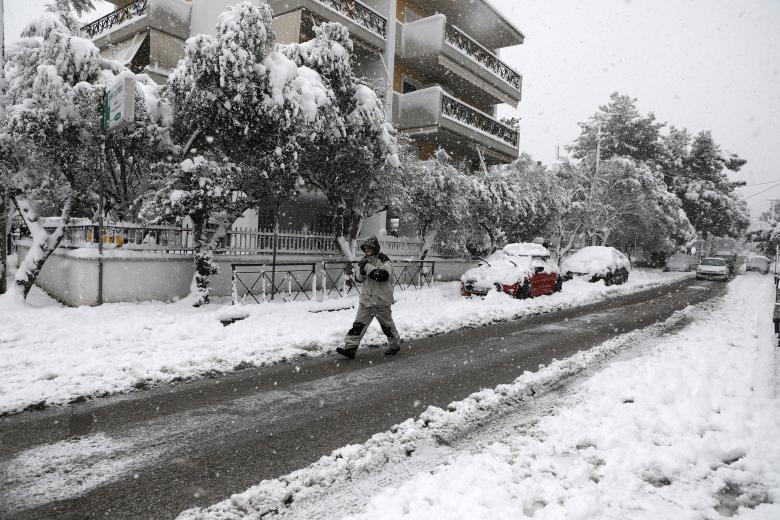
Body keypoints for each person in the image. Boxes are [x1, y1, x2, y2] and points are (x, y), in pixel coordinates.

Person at [336, 236, 402, 359]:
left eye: (369, 248)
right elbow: (358, 279)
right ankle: (350, 348)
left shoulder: (384, 261)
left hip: (381, 301)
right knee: (358, 326)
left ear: (375, 248)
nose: (367, 250)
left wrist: (366, 267)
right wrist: (360, 271)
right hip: (366, 301)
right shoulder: (364, 260)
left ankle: (395, 345)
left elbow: (382, 276)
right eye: (365, 248)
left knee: (387, 326)